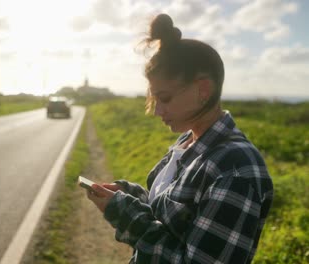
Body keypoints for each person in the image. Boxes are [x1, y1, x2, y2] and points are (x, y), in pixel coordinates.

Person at [86, 14, 273, 264]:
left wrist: (125, 214)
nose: (156, 111)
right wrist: (128, 195)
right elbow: (173, 219)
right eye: (154, 100)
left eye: (165, 99)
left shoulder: (235, 169)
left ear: (203, 90)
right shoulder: (189, 141)